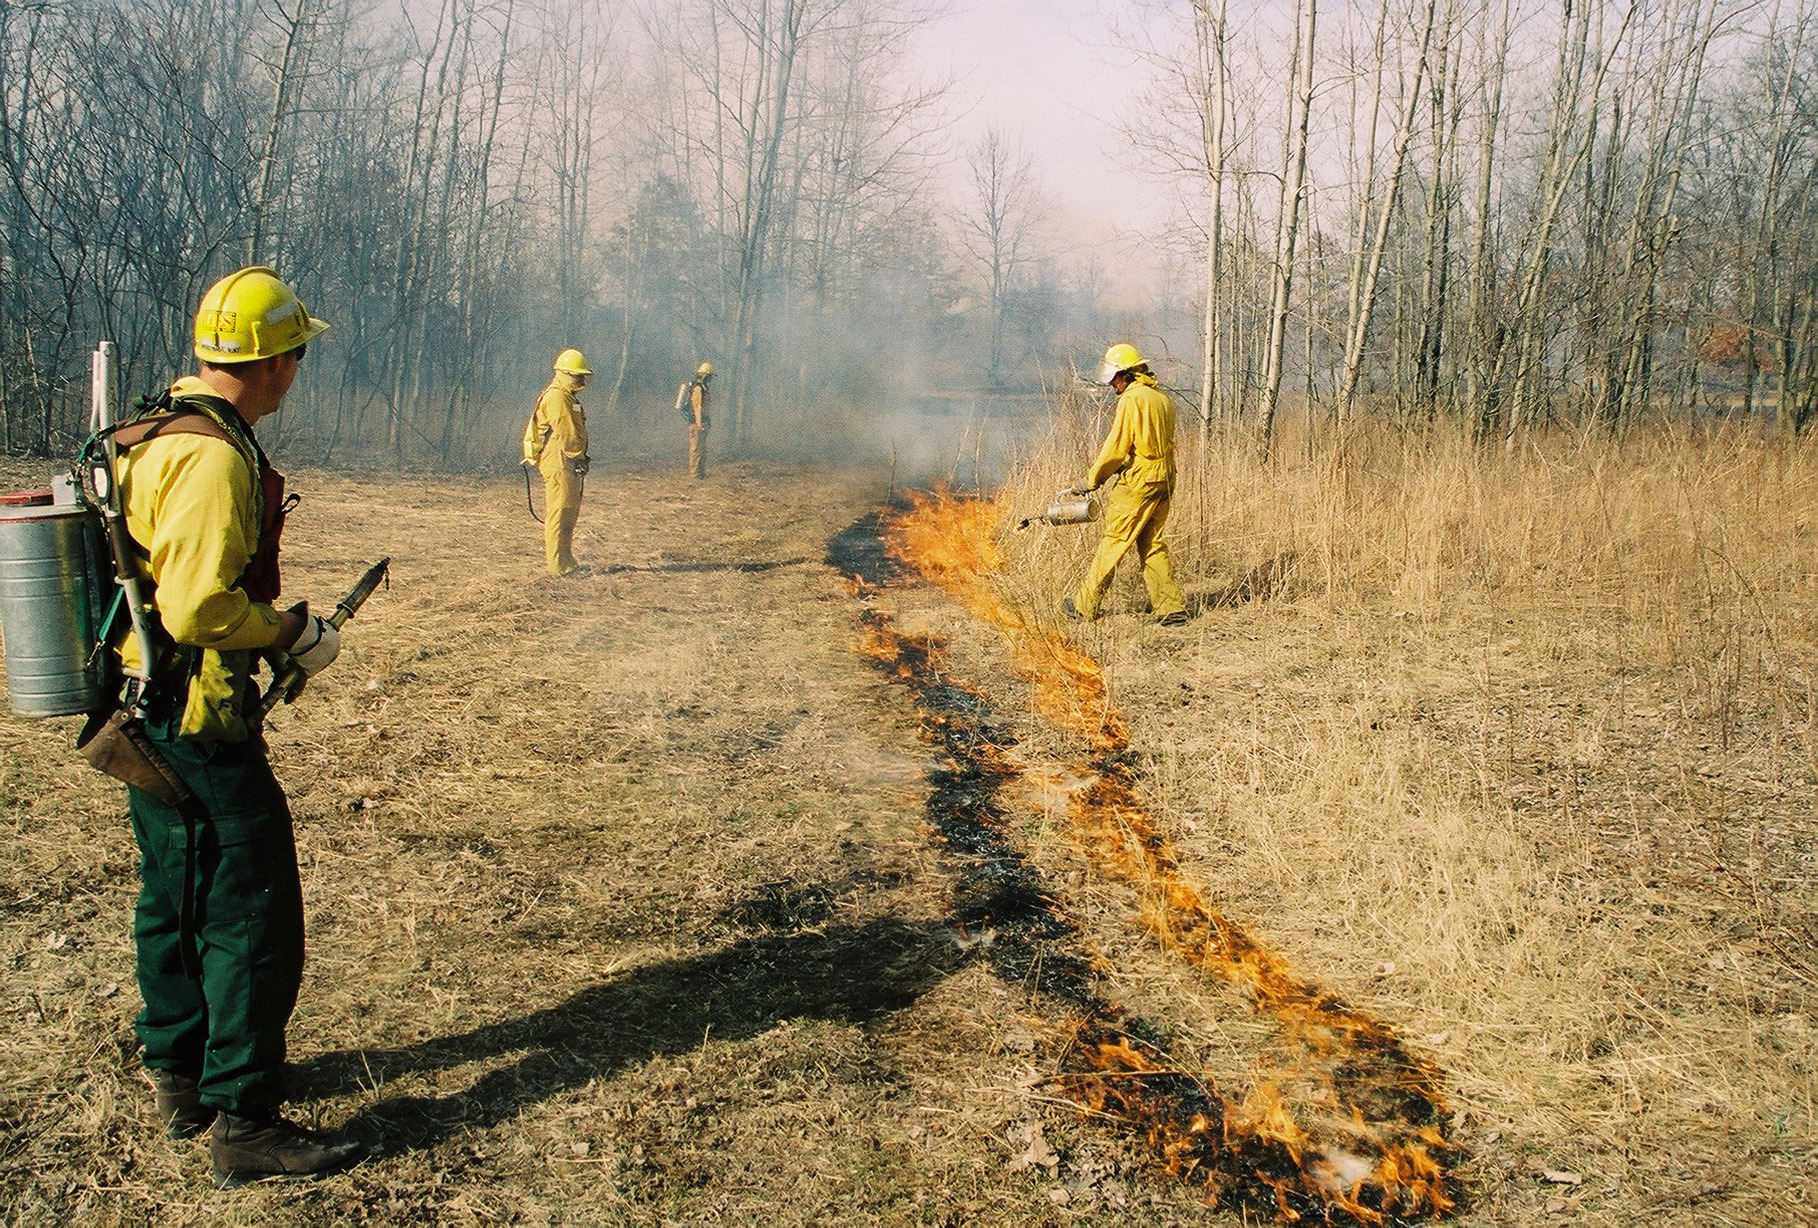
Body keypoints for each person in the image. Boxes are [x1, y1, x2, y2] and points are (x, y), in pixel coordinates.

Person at [108, 266, 363, 1186]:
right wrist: (293, 631)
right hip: (197, 715)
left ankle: (179, 1074)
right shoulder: (217, 456)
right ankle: (246, 1123)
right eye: (295, 355)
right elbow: (200, 610)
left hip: (140, 707)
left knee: (174, 889)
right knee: (250, 910)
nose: (298, 371)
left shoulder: (156, 430)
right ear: (277, 363)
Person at [1062, 342, 1188, 626]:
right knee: (1151, 542)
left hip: (1140, 481)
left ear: (1127, 374)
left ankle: (1083, 606)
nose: (1111, 385)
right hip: (1165, 477)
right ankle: (1171, 608)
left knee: (1115, 541)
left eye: (1114, 378)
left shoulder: (1132, 400)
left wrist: (1092, 480)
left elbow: (1117, 448)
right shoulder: (1162, 399)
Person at [522, 349, 593, 576]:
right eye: (576, 375)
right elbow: (567, 433)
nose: (581, 379)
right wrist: (579, 457)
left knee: (569, 511)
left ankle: (567, 560)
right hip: (559, 459)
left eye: (582, 375)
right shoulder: (557, 397)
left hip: (567, 459)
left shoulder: (568, 396)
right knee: (559, 511)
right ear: (562, 373)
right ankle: (558, 567)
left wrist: (579, 458)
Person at [678, 360, 713, 479]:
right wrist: (699, 424)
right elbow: (697, 406)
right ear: (705, 375)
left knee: (702, 450)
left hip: (702, 423)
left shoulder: (703, 388)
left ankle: (701, 474)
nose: (710, 379)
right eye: (709, 376)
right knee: (696, 450)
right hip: (696, 424)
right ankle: (694, 475)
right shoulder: (698, 389)